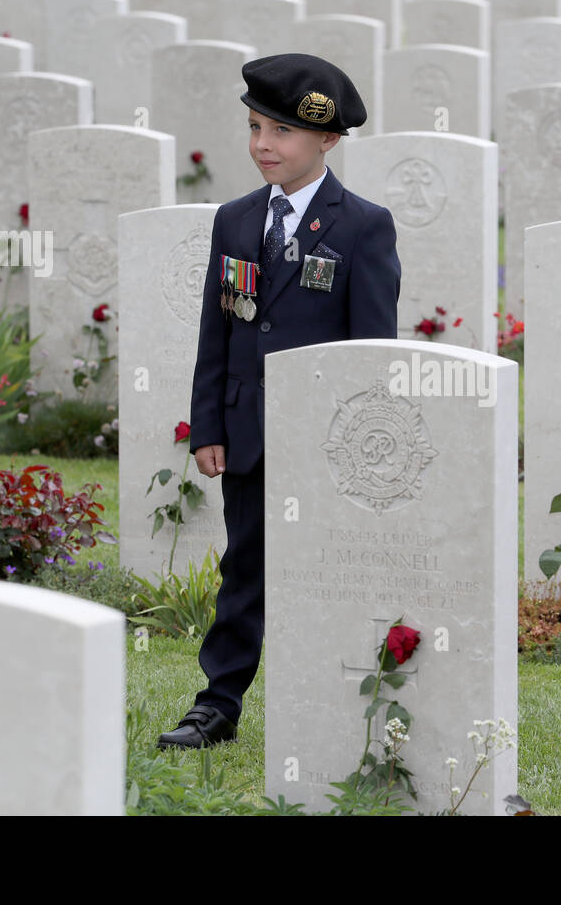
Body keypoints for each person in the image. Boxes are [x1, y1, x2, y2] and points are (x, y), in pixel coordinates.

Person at [157, 53, 402, 749]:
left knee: (331, 572)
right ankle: (217, 705)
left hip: (325, 440)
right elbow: (219, 329)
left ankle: (332, 706)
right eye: (255, 127)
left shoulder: (362, 227)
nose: (263, 144)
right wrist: (209, 422)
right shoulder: (235, 221)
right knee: (245, 571)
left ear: (327, 140)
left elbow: (371, 352)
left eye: (282, 133)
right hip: (247, 433)